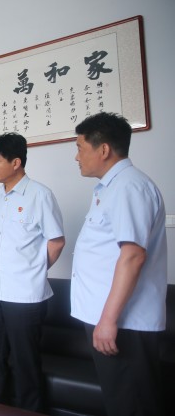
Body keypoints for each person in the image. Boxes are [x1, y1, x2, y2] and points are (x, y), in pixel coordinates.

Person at [71, 112, 167, 416]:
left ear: (103, 149)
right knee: (120, 401)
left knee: (132, 405)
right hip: (111, 318)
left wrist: (108, 320)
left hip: (124, 322)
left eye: (80, 148)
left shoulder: (129, 187)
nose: (76, 157)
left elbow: (133, 256)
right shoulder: (111, 188)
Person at [0, 132, 65, 412]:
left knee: (24, 365)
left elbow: (56, 241)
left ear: (16, 162)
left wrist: (34, 271)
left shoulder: (40, 195)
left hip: (25, 298)